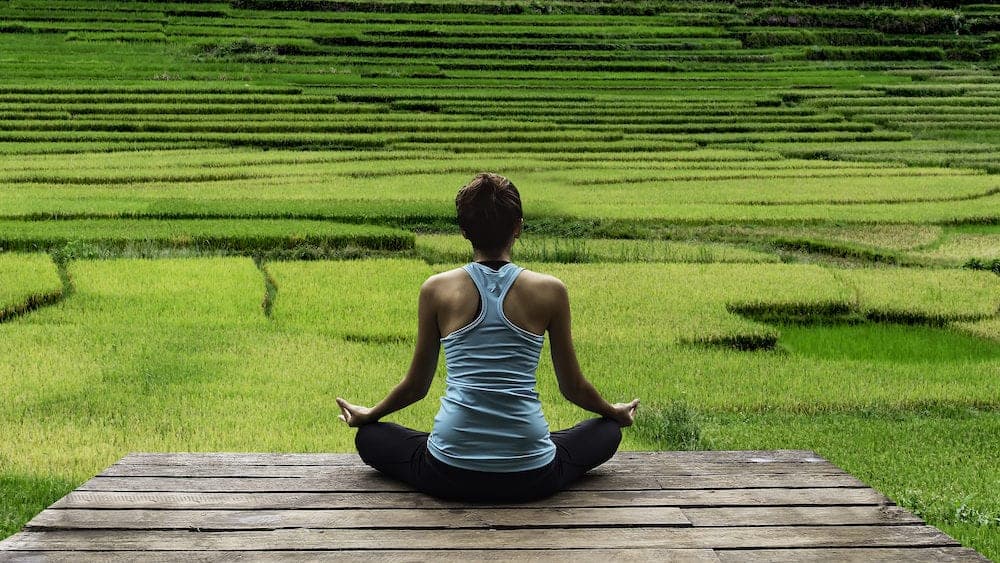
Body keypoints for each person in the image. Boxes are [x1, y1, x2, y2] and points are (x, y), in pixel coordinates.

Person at [336, 172, 639, 502]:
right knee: (607, 431)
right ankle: (524, 446)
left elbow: (415, 387)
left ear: (464, 231)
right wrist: (614, 412)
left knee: (369, 437)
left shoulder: (436, 289)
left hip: (448, 472)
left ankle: (465, 448)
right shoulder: (551, 291)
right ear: (518, 227)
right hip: (532, 475)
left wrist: (369, 415)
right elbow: (574, 388)